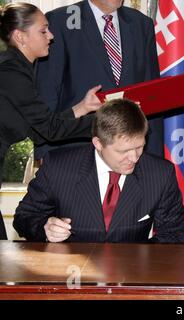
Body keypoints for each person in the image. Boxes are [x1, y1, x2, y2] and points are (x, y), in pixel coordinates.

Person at [13, 99, 184, 243]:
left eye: (139, 147)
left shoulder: (160, 174)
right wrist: (44, 228)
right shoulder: (58, 167)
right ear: (98, 144)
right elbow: (24, 217)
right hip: (70, 275)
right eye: (123, 151)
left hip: (130, 275)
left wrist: (137, 257)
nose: (134, 158)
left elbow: (174, 234)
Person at [0, 3, 102, 240]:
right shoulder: (11, 72)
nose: (51, 36)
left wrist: (82, 108)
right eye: (44, 30)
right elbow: (50, 129)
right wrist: (105, 124)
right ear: (20, 36)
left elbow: (39, 130)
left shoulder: (17, 68)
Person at [35, 0, 163, 159]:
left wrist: (155, 153)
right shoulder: (61, 20)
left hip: (132, 152)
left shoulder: (142, 24)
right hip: (75, 151)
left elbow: (151, 92)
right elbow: (47, 90)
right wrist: (45, 153)